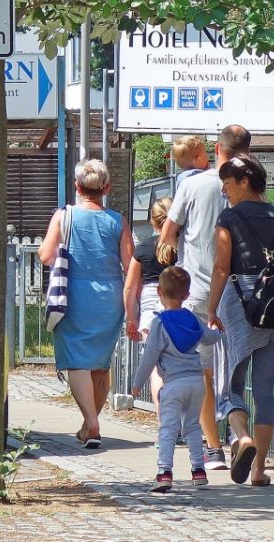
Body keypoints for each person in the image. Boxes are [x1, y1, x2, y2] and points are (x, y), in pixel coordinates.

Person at [206, 154, 274, 486]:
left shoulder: (229, 218)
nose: (224, 190)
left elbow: (222, 267)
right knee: (265, 392)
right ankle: (260, 470)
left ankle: (241, 437)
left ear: (244, 182)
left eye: (227, 183)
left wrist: (211, 308)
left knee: (230, 385)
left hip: (240, 306)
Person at [156, 123, 252, 469]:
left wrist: (169, 247)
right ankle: (241, 434)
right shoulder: (252, 185)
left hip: (200, 288)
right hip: (244, 292)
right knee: (239, 369)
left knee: (205, 371)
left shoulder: (193, 185)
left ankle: (213, 447)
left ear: (216, 151)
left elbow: (168, 233)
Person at [38, 159, 134, 449]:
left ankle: (92, 423)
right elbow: (130, 265)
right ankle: (89, 424)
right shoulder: (118, 221)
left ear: (77, 187)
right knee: (100, 366)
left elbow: (45, 255)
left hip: (72, 296)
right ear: (106, 188)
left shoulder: (63, 216)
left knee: (77, 362)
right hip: (109, 298)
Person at [130, 266, 222, 493]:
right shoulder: (191, 319)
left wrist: (137, 384)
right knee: (192, 426)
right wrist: (219, 331)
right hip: (196, 382)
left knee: (168, 428)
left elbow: (149, 357)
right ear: (187, 295)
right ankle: (198, 471)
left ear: (159, 291)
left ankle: (164, 472)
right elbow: (210, 338)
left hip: (172, 384)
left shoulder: (159, 324)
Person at [124, 196, 173, 415]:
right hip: (178, 304)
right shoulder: (183, 248)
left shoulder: (143, 249)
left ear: (153, 222)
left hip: (150, 308)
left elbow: (130, 288)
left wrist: (131, 318)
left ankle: (165, 426)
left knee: (156, 369)